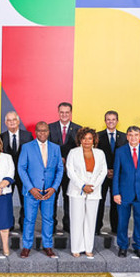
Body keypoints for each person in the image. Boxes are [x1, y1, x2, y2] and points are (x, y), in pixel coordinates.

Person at [18, 121, 63, 258]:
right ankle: (26, 247)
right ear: (35, 132)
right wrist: (31, 188)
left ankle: (47, 246)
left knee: (48, 219)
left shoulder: (55, 148)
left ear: (48, 132)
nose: (42, 133)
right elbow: (21, 168)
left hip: (49, 191)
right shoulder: (27, 147)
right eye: (39, 130)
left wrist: (54, 188)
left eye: (45, 130)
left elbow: (60, 169)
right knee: (29, 220)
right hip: (32, 192)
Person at [113, 126, 140, 259]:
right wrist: (116, 192)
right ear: (127, 137)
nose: (133, 138)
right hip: (124, 193)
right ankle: (123, 246)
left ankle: (138, 246)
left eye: (136, 135)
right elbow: (116, 174)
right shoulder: (120, 151)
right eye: (130, 135)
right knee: (122, 222)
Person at [66, 127, 106, 258]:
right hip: (77, 190)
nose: (87, 141)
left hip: (94, 190)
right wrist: (82, 186)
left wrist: (92, 186)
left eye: (89, 138)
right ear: (80, 140)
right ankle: (76, 248)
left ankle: (88, 248)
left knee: (90, 220)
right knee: (77, 219)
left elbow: (103, 171)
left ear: (94, 140)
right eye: (84, 138)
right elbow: (70, 171)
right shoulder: (73, 152)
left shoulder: (100, 153)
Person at [48, 102, 80, 234]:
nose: (64, 114)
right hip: (54, 171)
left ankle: (68, 225)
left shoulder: (78, 129)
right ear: (58, 112)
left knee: (69, 199)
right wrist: (58, 160)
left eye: (67, 112)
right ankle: (51, 226)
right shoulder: (50, 128)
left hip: (70, 172)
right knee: (52, 199)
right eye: (62, 112)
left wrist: (68, 162)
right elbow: (47, 148)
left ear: (71, 113)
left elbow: (79, 150)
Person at [0, 111, 33, 231]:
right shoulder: (0, 137)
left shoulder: (28, 136)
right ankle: (9, 224)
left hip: (24, 174)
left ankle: (24, 224)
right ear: (5, 123)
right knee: (6, 200)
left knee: (25, 201)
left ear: (18, 121)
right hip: (7, 175)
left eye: (14, 120)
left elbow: (32, 155)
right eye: (9, 120)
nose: (12, 122)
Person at [96, 110, 126, 235]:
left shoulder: (124, 137)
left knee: (116, 202)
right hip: (101, 175)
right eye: (108, 119)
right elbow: (95, 156)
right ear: (105, 121)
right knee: (100, 201)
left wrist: (116, 170)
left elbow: (125, 157)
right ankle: (97, 228)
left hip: (118, 175)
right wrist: (105, 170)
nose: (111, 122)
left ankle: (115, 228)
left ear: (117, 121)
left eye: (113, 119)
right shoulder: (98, 136)